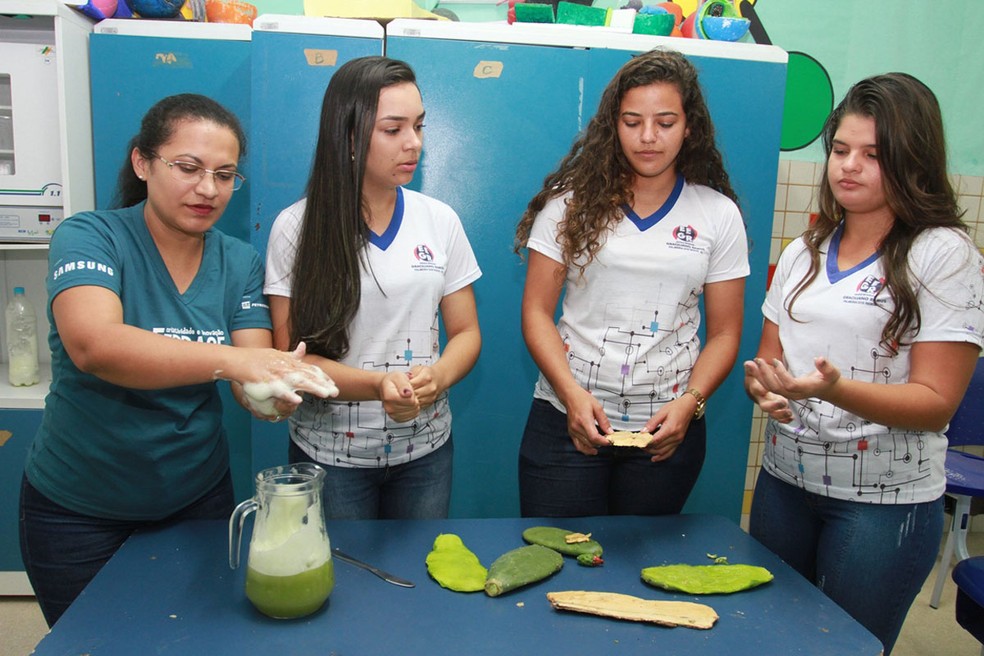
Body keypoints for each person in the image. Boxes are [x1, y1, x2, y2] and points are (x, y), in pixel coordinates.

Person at [18, 94, 337, 627]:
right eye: (189, 168)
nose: (208, 189)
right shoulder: (91, 235)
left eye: (225, 175)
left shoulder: (238, 260)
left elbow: (251, 370)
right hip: (79, 510)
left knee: (193, 635)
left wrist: (273, 394)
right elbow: (95, 345)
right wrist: (241, 364)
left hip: (196, 499)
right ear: (143, 163)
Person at [744, 73, 984, 655]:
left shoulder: (944, 253)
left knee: (841, 648)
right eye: (840, 150)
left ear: (912, 161)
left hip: (882, 506)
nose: (848, 166)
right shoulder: (805, 250)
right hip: (784, 485)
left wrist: (833, 390)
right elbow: (770, 356)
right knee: (770, 639)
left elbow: (935, 403)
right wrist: (766, 386)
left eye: (873, 155)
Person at [513, 48, 748, 517]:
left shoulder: (718, 215)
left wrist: (691, 403)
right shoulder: (568, 206)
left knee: (644, 558)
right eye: (632, 121)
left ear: (689, 127)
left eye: (665, 122)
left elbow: (725, 334)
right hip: (566, 422)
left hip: (666, 433)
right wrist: (571, 395)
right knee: (556, 553)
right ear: (613, 126)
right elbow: (536, 312)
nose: (648, 137)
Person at [265, 56, 482, 520]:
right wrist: (378, 385)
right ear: (348, 136)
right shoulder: (295, 227)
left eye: (419, 126)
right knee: (339, 565)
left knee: (421, 562)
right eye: (393, 129)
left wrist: (439, 377)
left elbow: (466, 332)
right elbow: (289, 356)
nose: (413, 142)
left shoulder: (439, 220)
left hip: (425, 452)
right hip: (330, 458)